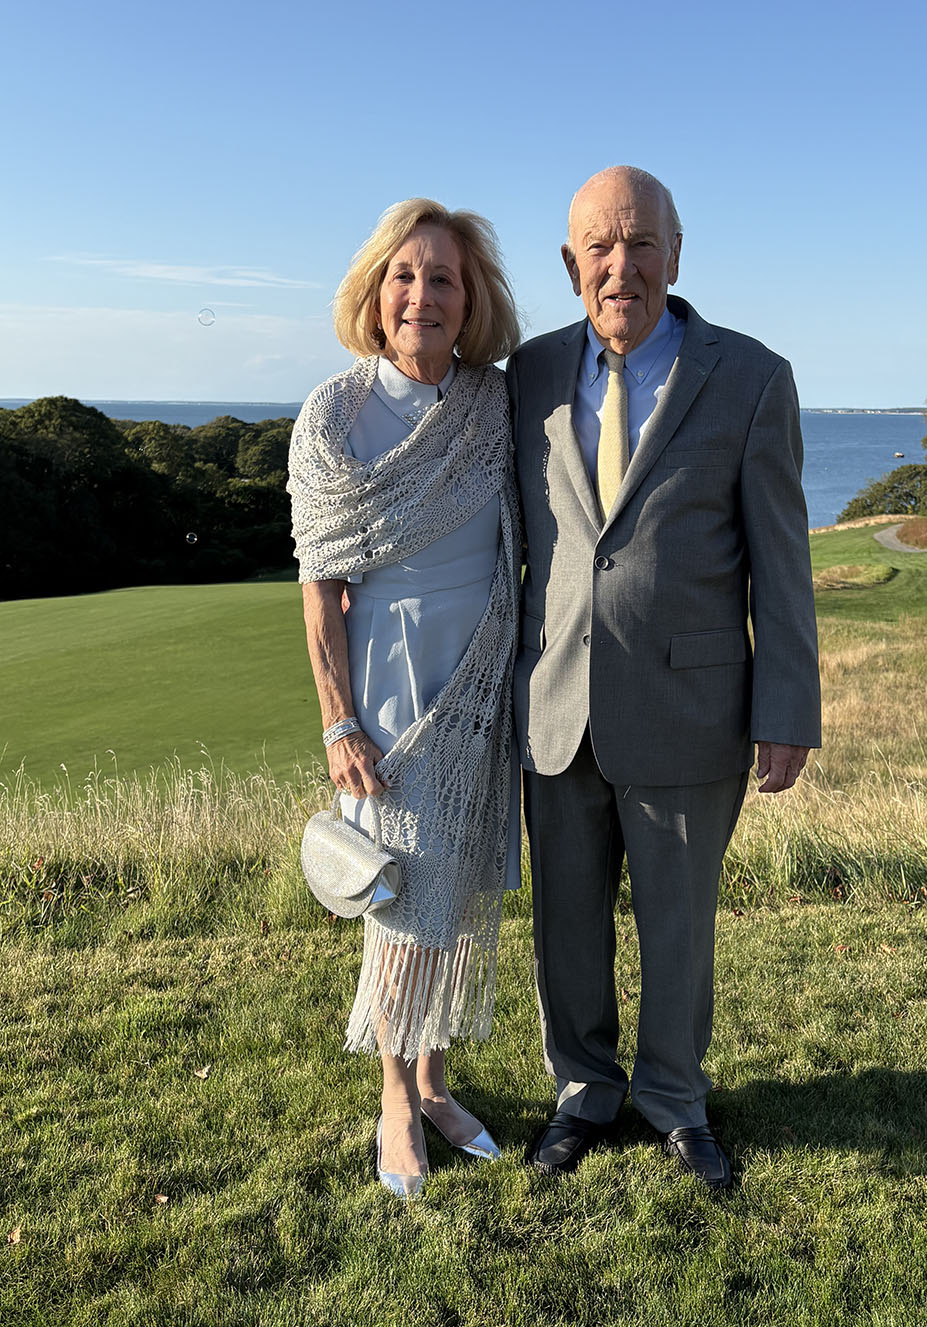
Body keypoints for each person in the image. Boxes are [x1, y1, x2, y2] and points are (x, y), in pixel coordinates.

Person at [507, 166, 821, 1190]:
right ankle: (583, 1090)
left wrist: (786, 709)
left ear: (674, 257)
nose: (620, 266)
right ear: (569, 265)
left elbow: (779, 560)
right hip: (553, 701)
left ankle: (675, 1096)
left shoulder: (750, 377)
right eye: (598, 246)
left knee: (678, 923)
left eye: (640, 244)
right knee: (566, 920)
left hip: (692, 706)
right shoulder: (526, 376)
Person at [288, 199, 522, 1198]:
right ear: (375, 293)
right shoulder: (332, 412)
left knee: (457, 891)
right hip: (386, 692)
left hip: (483, 678)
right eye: (405, 276)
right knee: (394, 896)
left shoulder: (492, 402)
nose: (422, 295)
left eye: (444, 280)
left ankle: (434, 1082)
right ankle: (392, 1094)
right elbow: (319, 585)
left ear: (471, 302)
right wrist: (338, 717)